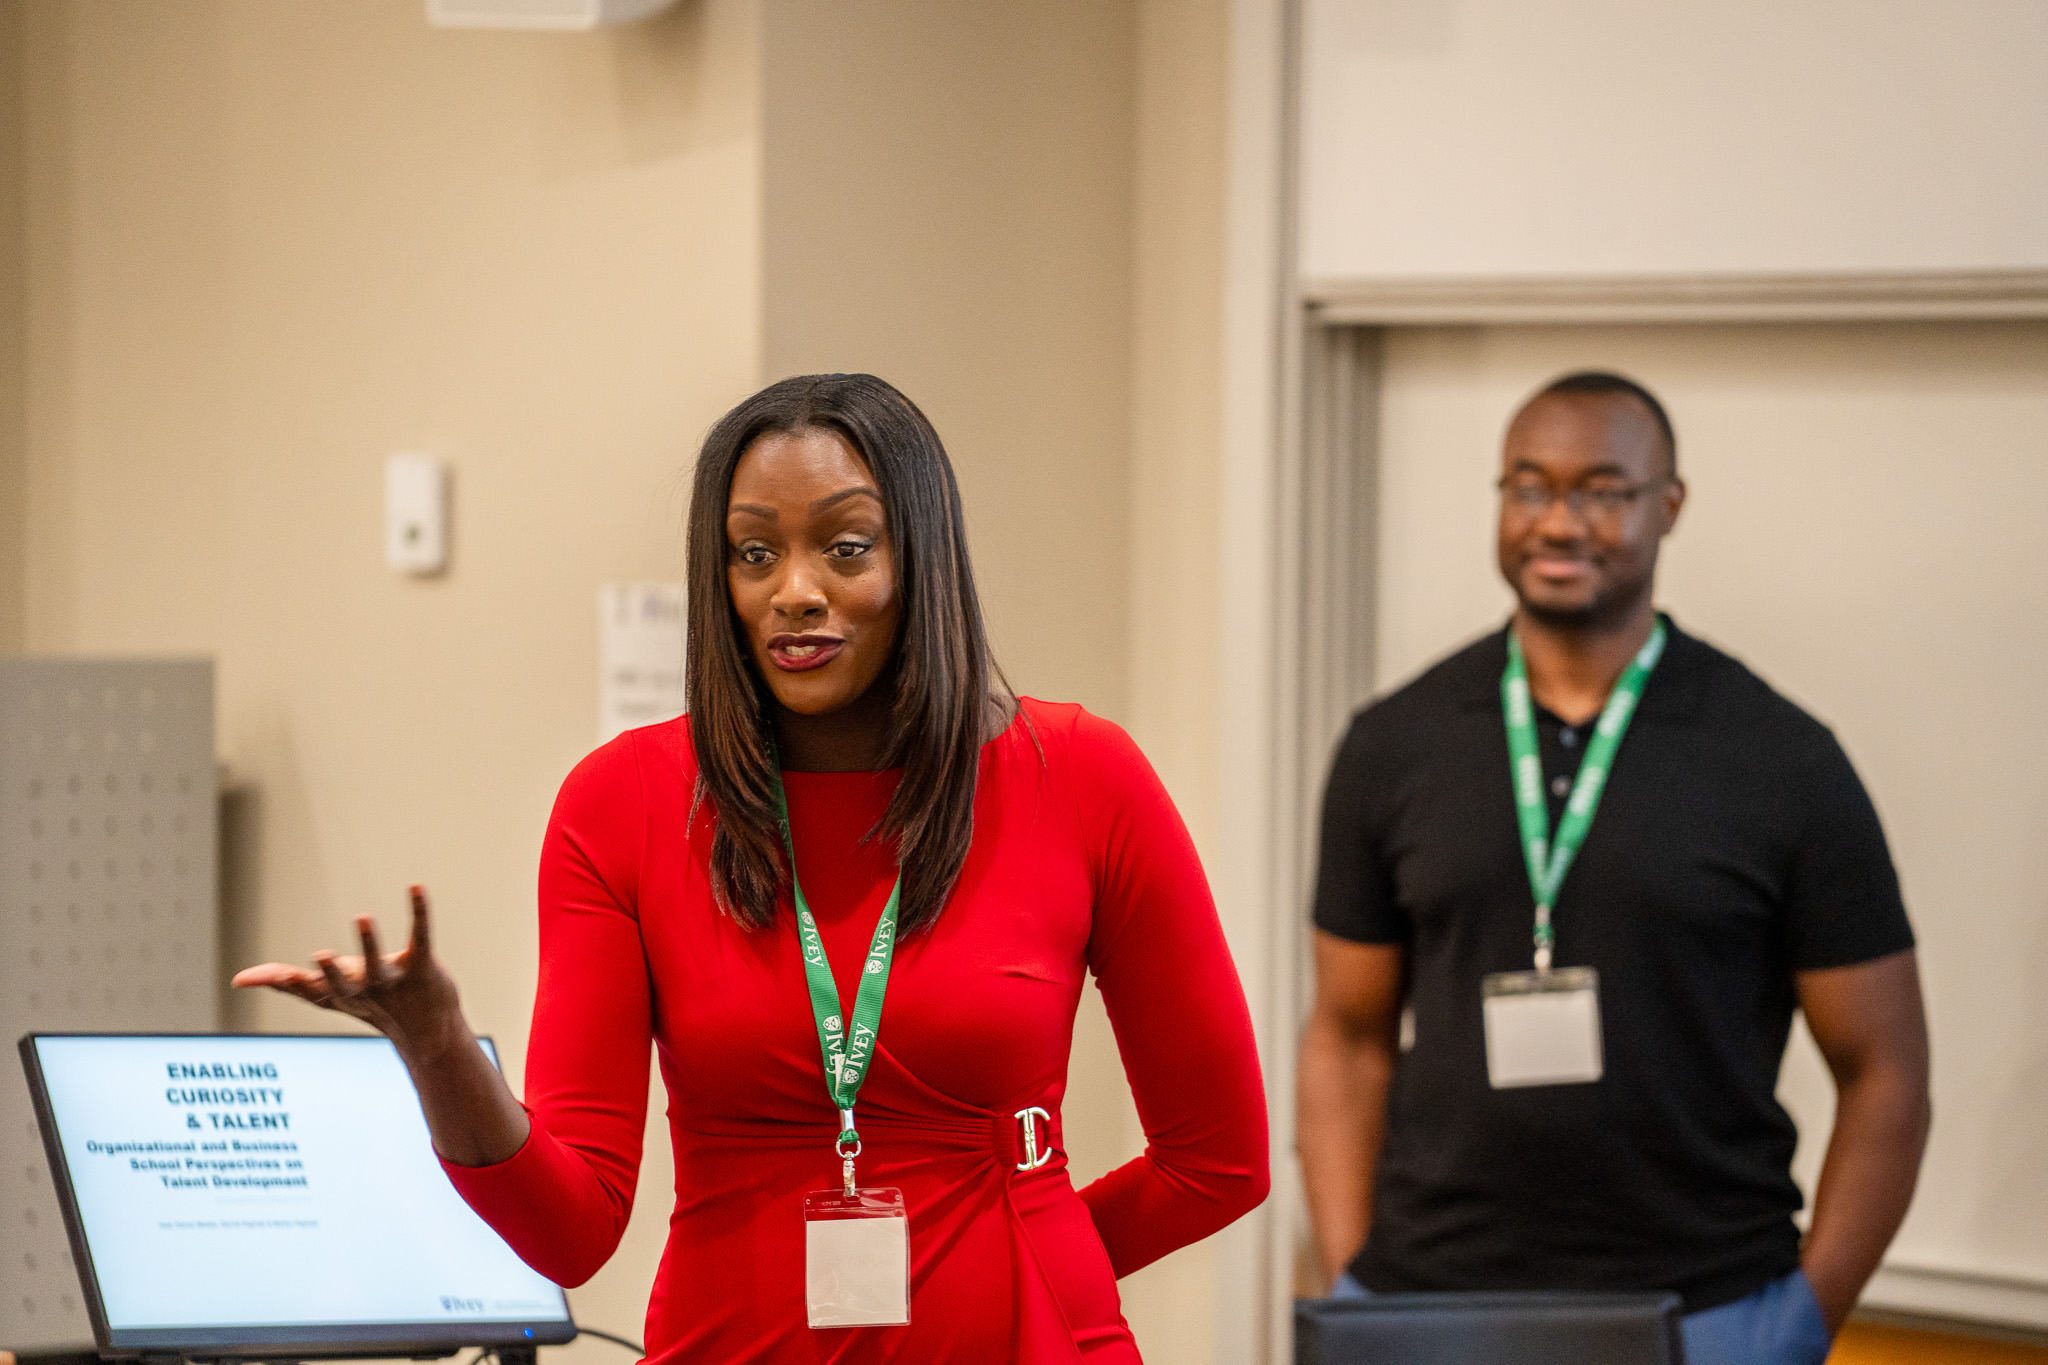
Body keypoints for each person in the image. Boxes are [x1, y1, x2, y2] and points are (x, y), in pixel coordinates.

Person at [236, 373, 1269, 1363]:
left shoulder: (1081, 776)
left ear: (923, 559)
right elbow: (571, 1231)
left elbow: (1217, 1162)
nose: (795, 592)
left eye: (845, 547)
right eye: (753, 555)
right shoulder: (621, 805)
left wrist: (1035, 1262)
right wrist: (438, 1047)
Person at [1296, 371, 1931, 1365]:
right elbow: (1344, 1036)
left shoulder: (1780, 757)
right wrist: (1349, 1282)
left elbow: (1884, 1069)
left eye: (1600, 491)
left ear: (1667, 506)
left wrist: (1800, 1321)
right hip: (1426, 1303)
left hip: (1706, 1308)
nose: (1556, 522)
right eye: (1526, 486)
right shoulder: (1392, 744)